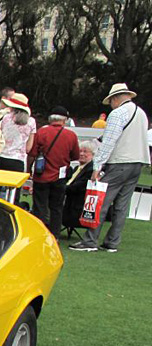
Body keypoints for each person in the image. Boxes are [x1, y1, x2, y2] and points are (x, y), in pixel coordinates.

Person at [69, 83, 150, 253]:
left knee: (101, 201)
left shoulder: (118, 113)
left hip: (120, 161)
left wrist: (97, 167)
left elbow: (109, 142)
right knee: (122, 205)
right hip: (137, 162)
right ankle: (112, 242)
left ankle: (90, 240)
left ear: (115, 99)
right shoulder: (141, 113)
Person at [29, 106, 80, 236]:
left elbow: (33, 153)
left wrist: (28, 169)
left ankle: (39, 233)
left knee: (39, 206)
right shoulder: (71, 135)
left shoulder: (42, 132)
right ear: (65, 120)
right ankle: (55, 234)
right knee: (56, 208)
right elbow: (75, 156)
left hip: (41, 175)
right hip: (60, 176)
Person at [63, 141, 96, 236]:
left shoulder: (91, 170)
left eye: (85, 152)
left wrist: (60, 189)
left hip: (77, 206)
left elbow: (77, 187)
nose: (81, 154)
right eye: (80, 151)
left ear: (92, 154)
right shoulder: (77, 168)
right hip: (68, 199)